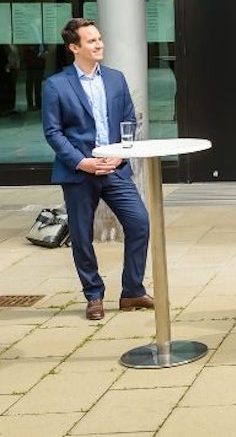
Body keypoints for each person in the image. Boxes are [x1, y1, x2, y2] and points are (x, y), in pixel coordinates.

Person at [41, 18, 153, 320]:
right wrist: (83, 162)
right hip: (80, 171)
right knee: (81, 236)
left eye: (99, 39)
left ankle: (132, 291)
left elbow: (128, 122)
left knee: (140, 222)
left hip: (115, 169)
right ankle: (94, 295)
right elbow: (53, 133)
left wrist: (119, 156)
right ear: (74, 47)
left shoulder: (116, 79)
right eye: (91, 41)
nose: (99, 44)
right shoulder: (56, 85)